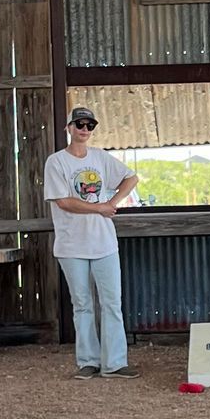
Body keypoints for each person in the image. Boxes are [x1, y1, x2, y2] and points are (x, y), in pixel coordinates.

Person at [44, 107, 139, 376]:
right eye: (79, 124)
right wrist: (100, 207)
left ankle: (115, 362)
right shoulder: (56, 162)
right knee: (83, 303)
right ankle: (88, 361)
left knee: (111, 302)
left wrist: (112, 202)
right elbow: (63, 201)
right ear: (69, 127)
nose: (84, 130)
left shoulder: (100, 158)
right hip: (72, 244)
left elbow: (131, 177)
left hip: (104, 242)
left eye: (89, 126)